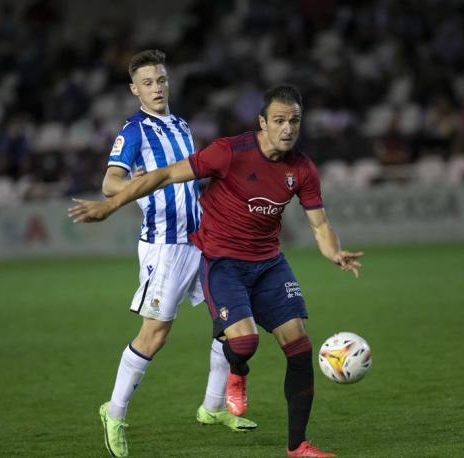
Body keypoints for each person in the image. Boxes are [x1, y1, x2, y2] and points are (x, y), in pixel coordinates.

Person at [69, 84, 363, 457]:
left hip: (270, 264)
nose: (287, 128)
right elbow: (162, 176)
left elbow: (319, 225)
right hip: (223, 262)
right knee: (243, 343)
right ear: (262, 123)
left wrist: (334, 253)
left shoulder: (301, 168)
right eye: (279, 121)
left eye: (294, 121)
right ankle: (236, 373)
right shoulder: (229, 152)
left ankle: (297, 446)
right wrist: (109, 206)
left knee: (300, 348)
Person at [94, 49, 257, 458]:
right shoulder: (133, 132)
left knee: (230, 319)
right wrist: (148, 184)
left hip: (203, 238)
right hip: (166, 247)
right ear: (134, 90)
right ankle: (114, 413)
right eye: (147, 83)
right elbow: (110, 184)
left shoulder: (181, 124)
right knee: (156, 334)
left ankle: (213, 407)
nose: (156, 88)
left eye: (161, 80)